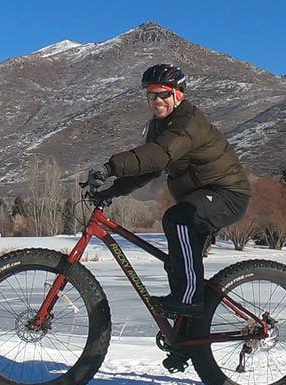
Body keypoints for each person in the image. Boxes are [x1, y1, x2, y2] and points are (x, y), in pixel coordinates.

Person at [85, 64, 251, 317]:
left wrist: (110, 167)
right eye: (152, 95)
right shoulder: (158, 127)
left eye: (163, 94)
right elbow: (149, 169)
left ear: (178, 94)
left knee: (177, 219)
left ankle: (189, 300)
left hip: (226, 193)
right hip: (198, 198)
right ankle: (187, 341)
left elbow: (159, 155)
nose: (157, 100)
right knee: (176, 264)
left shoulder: (189, 122)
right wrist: (113, 190)